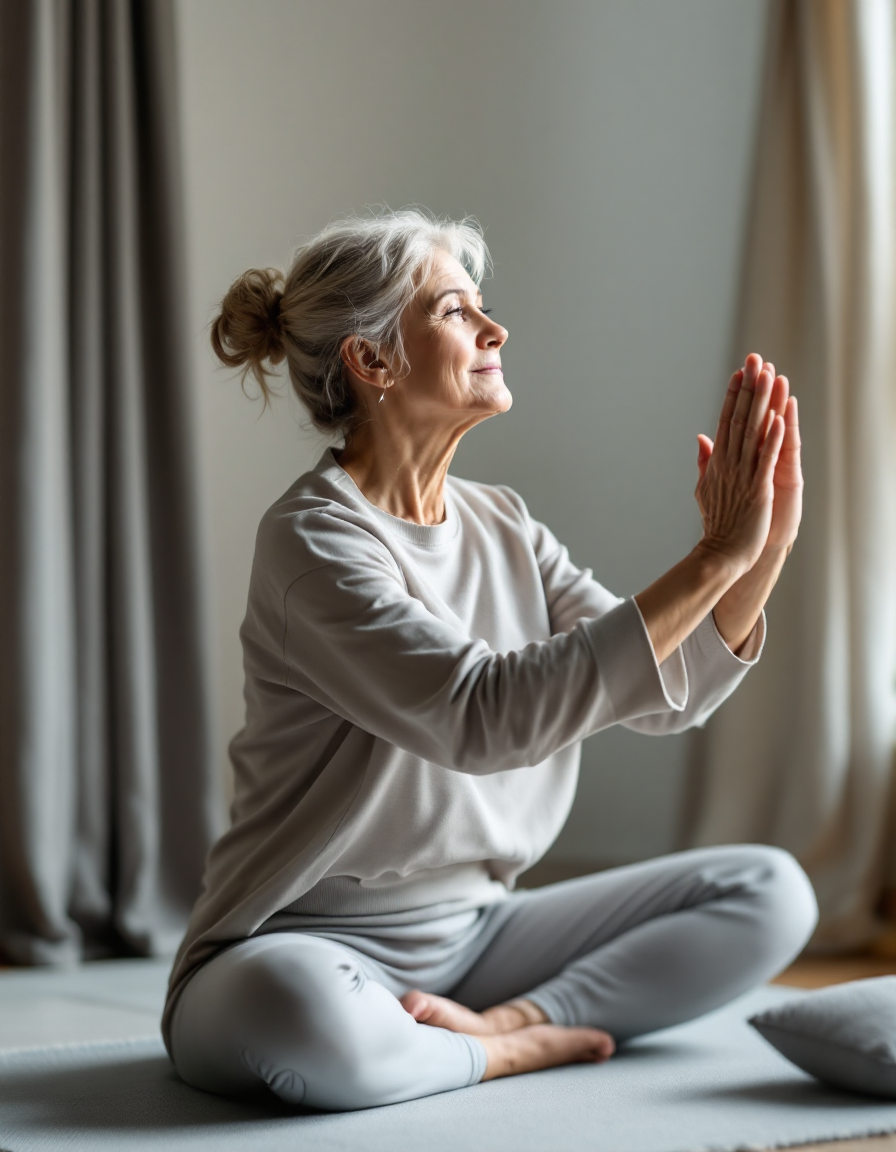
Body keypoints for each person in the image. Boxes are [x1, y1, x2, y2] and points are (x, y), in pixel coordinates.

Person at [163, 208, 817, 1112]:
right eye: (456, 311)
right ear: (373, 361)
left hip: (478, 935)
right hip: (297, 944)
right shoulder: (314, 541)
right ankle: (509, 1053)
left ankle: (512, 1019)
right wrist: (710, 559)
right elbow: (480, 717)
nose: (494, 329)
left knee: (771, 891)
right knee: (301, 1019)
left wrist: (758, 550)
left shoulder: (503, 521)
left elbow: (665, 694)